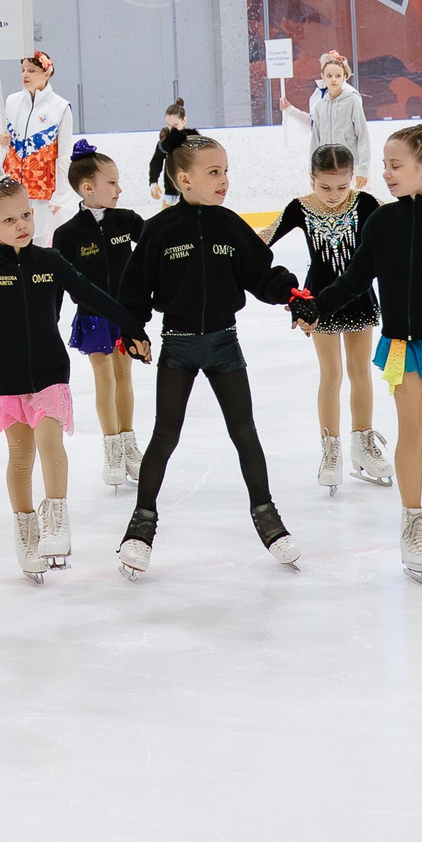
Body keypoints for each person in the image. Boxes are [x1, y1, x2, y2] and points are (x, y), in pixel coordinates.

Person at [0, 174, 147, 579]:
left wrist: (133, 327)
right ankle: (26, 529)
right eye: (9, 221)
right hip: (7, 377)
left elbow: (93, 294)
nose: (21, 225)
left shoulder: (50, 262)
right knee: (20, 456)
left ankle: (57, 518)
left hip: (50, 372)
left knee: (50, 442)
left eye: (25, 216)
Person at [294, 124, 422, 584]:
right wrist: (316, 307)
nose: (385, 173)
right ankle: (413, 520)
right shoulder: (382, 222)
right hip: (400, 347)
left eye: (394, 166)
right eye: (383, 165)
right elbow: (355, 279)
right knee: (410, 431)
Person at [114, 135, 306, 580]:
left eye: (225, 171)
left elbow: (262, 274)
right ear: (184, 179)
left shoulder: (230, 225)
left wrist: (292, 296)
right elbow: (134, 289)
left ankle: (269, 520)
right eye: (213, 172)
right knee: (165, 434)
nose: (224, 180)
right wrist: (132, 330)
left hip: (224, 344)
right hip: (178, 345)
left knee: (244, 432)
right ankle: (140, 528)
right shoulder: (159, 230)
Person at [261, 143, 388, 495]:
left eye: (342, 186)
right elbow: (264, 238)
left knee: (360, 372)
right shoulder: (300, 208)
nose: (333, 195)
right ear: (312, 179)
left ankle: (363, 443)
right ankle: (330, 450)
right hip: (317, 302)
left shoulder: (366, 204)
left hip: (360, 297)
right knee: (330, 374)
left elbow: (404, 229)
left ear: (353, 180)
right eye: (325, 187)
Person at [51, 142, 145, 490]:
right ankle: (111, 446)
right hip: (92, 316)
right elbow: (56, 283)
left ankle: (127, 443)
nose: (119, 189)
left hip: (125, 314)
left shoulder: (127, 221)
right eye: (112, 183)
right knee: (104, 377)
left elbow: (153, 249)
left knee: (125, 375)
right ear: (88, 188)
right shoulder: (68, 234)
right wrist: (49, 320)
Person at [0, 50, 75, 246]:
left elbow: (63, 155)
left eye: (32, 70)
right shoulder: (11, 101)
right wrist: (1, 142)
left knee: (38, 247)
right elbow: (0, 144)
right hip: (11, 190)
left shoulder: (60, 107)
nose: (25, 75)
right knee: (11, 246)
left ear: (47, 73)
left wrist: (60, 196)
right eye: (22, 70)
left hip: (42, 193)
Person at [307, 52, 371, 188]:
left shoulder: (353, 100)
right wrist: (312, 170)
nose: (333, 80)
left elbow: (363, 135)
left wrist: (363, 170)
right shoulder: (320, 105)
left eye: (338, 76)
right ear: (322, 77)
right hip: (326, 165)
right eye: (329, 76)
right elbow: (315, 140)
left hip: (349, 166)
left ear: (345, 77)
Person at [146, 101, 190, 205]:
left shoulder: (192, 140)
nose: (171, 129)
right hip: (171, 193)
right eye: (168, 125)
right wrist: (153, 182)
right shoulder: (164, 142)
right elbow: (156, 163)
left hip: (191, 193)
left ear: (184, 120)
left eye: (175, 125)